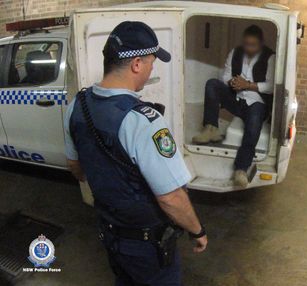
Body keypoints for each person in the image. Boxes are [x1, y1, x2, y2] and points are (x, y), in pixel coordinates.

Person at [64, 21, 207, 286]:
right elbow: (172, 197)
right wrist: (197, 230)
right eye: (152, 61)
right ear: (137, 64)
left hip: (109, 234)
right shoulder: (143, 120)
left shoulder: (77, 105)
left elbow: (76, 168)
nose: (153, 68)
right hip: (147, 247)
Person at [192, 25, 275, 187]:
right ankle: (210, 129)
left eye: (253, 45)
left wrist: (248, 85)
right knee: (212, 84)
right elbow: (225, 76)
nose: (249, 48)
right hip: (237, 99)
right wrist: (233, 83)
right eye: (247, 44)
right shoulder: (235, 52)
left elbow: (271, 86)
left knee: (252, 131)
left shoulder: (270, 57)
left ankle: (241, 169)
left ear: (261, 43)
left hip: (256, 102)